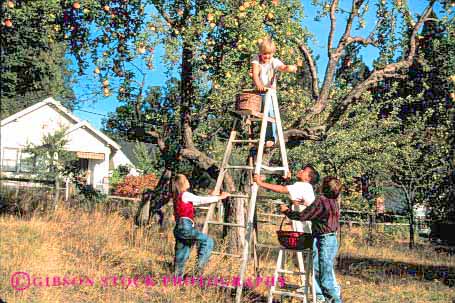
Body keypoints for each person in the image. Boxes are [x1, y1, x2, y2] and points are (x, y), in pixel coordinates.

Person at [279, 176, 343, 303]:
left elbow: (304, 216)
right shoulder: (332, 200)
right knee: (318, 270)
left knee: (325, 277)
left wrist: (287, 211)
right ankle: (320, 297)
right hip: (325, 238)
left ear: (324, 187)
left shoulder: (321, 200)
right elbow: (318, 212)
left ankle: (335, 300)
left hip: (324, 240)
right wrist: (306, 204)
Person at [173, 174, 230, 277]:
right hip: (185, 226)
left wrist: (213, 196)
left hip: (179, 228)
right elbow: (200, 200)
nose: (188, 180)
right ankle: (197, 273)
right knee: (208, 241)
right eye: (186, 179)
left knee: (182, 253)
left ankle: (177, 280)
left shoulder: (179, 197)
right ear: (183, 183)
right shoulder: (185, 194)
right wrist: (220, 197)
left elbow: (197, 201)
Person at [251, 36, 297, 147]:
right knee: (260, 114)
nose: (267, 56)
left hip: (270, 92)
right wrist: (259, 85)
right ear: (260, 52)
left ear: (273, 53)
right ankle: (259, 135)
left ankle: (271, 137)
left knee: (270, 113)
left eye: (269, 54)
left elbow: (282, 67)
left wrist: (289, 68)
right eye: (264, 54)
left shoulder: (273, 61)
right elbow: (255, 74)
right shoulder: (256, 59)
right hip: (259, 90)